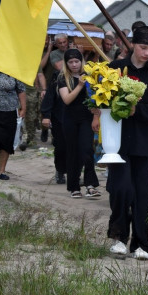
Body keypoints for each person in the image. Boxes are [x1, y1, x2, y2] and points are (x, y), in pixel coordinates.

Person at [98, 25, 148, 260]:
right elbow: (101, 100)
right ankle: (118, 237)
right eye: (143, 47)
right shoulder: (115, 69)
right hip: (117, 142)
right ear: (132, 45)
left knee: (142, 194)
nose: (147, 53)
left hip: (144, 143)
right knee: (121, 189)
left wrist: (137, 109)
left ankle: (141, 244)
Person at [57, 49, 101, 199]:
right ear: (66, 63)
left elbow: (96, 99)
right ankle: (74, 186)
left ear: (81, 61)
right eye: (71, 62)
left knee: (87, 150)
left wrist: (96, 117)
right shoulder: (63, 78)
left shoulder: (90, 76)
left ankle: (90, 184)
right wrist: (80, 85)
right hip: (69, 118)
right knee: (73, 152)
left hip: (86, 118)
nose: (74, 65)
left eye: (77, 61)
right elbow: (67, 99)